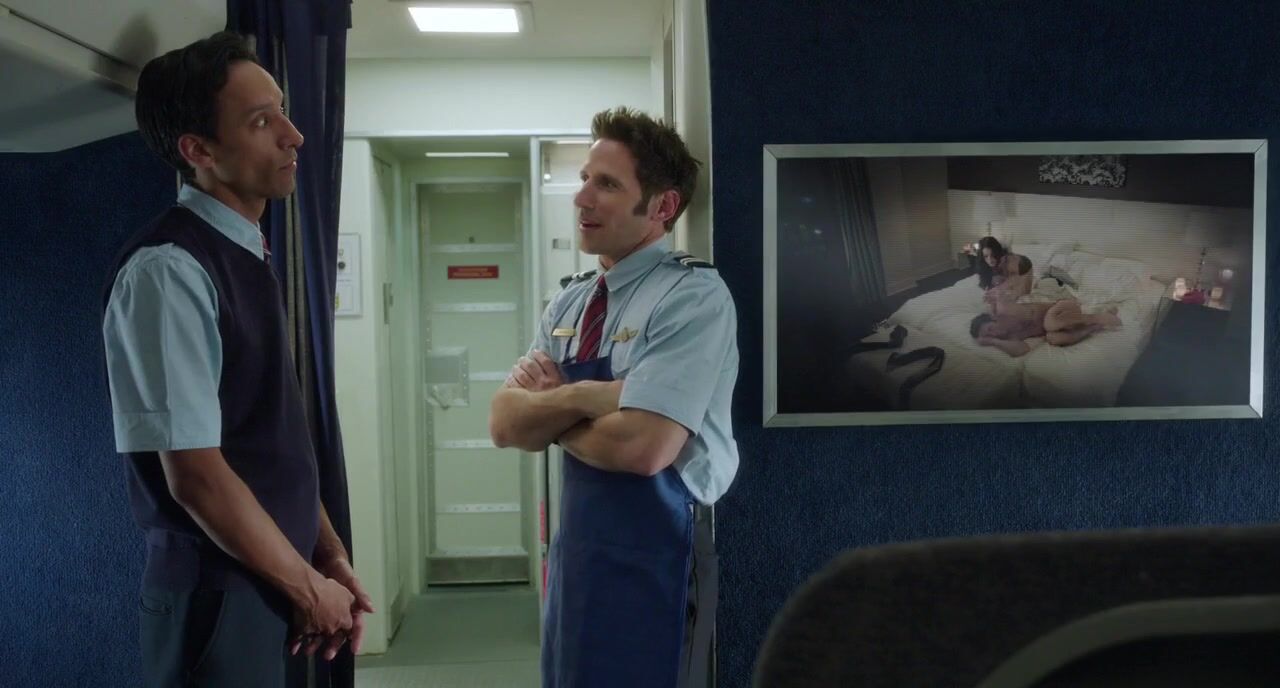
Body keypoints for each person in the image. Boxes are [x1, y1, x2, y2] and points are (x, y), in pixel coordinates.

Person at [101, 32, 372, 686]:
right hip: (221, 600)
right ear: (199, 151)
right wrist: (306, 585)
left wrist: (327, 554)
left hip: (278, 580)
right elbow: (196, 476)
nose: (293, 136)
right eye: (261, 121)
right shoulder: (169, 271)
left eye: (283, 111)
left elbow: (267, 442)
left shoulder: (247, 255)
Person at [488, 107, 739, 687]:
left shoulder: (690, 298)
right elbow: (504, 424)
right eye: (583, 179)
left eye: (606, 184)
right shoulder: (570, 302)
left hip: (660, 556)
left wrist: (553, 408)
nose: (581, 198)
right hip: (578, 557)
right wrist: (594, 397)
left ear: (663, 206)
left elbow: (643, 449)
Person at [970, 297, 1121, 357]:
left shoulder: (1005, 313)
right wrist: (993, 342)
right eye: (990, 335)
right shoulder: (1008, 337)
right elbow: (1023, 349)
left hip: (1062, 308)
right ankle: (1093, 327)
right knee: (1053, 338)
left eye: (990, 329)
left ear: (993, 318)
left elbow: (1012, 304)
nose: (994, 333)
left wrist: (996, 302)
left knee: (1050, 324)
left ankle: (1095, 317)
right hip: (1058, 328)